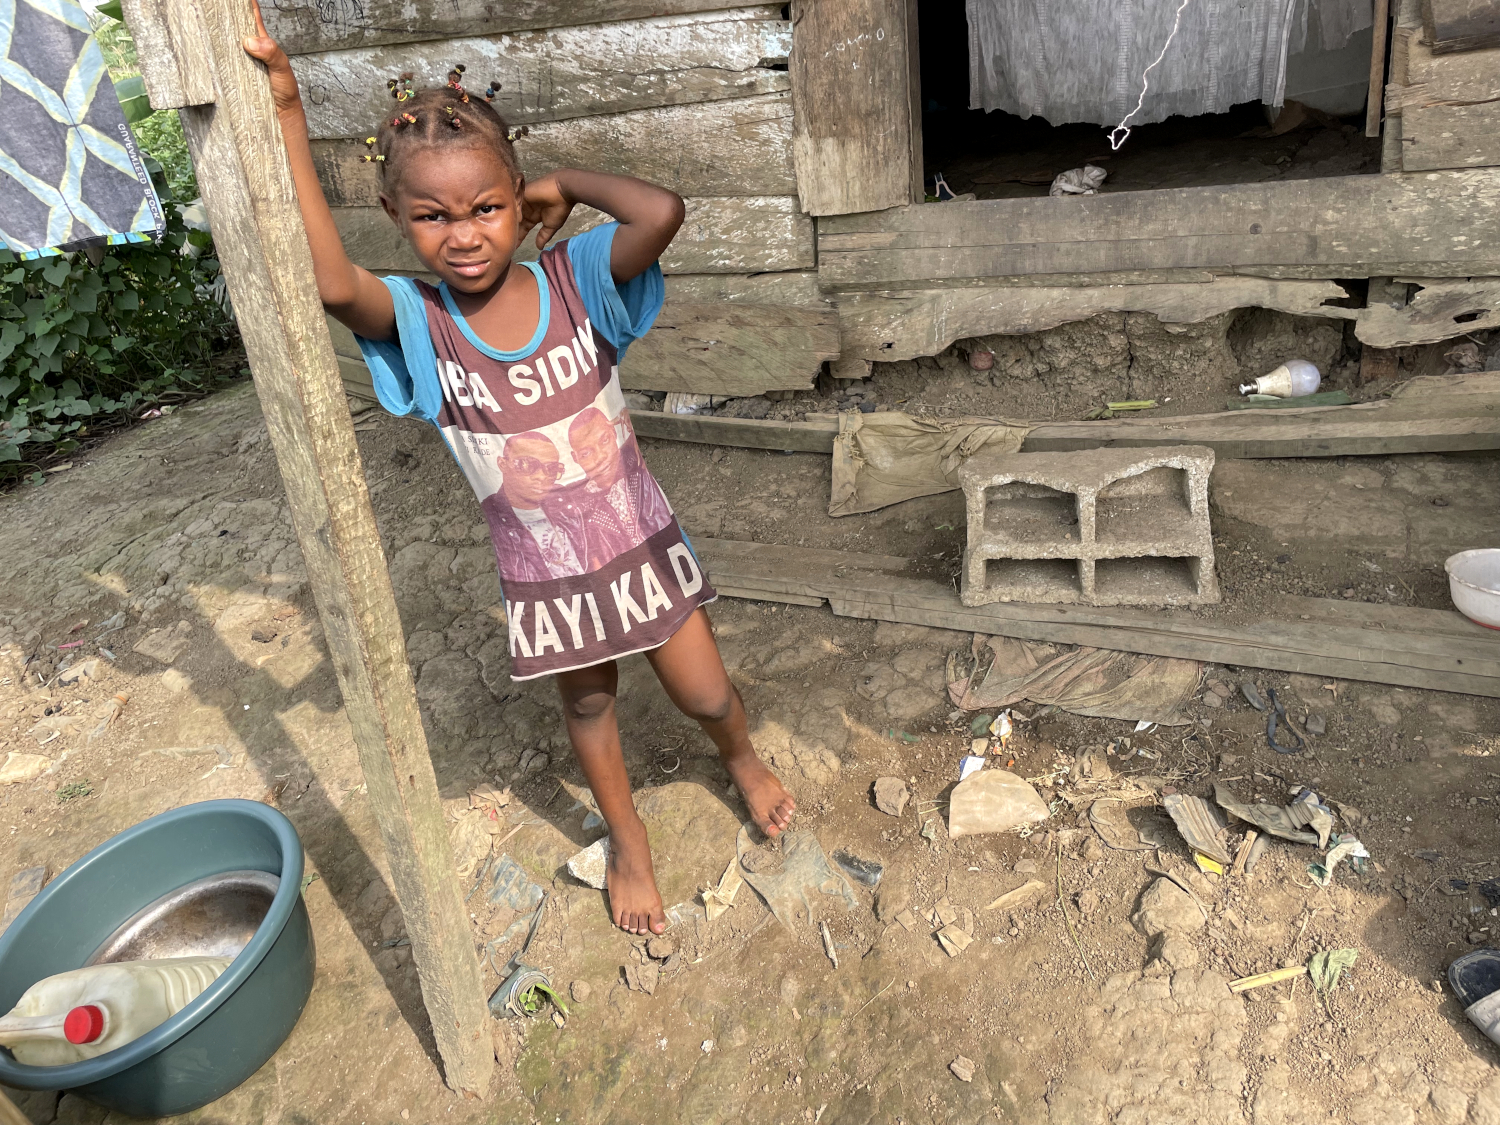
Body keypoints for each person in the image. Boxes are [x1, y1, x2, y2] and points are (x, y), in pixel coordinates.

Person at [244, 13, 795, 936]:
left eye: (486, 206)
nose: (463, 235)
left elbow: (659, 212)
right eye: (432, 216)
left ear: (517, 197)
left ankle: (738, 755)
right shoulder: (422, 322)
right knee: (588, 702)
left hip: (639, 545)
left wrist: (564, 186)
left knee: (704, 691)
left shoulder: (575, 277)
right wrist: (289, 108)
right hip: (550, 574)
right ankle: (627, 836)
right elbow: (333, 283)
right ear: (397, 218)